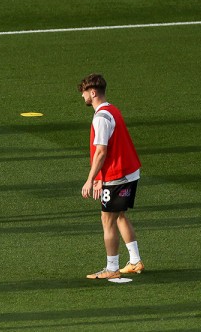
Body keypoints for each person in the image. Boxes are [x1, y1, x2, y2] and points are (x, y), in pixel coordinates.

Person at [79, 73, 144, 280]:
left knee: (107, 219)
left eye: (84, 93)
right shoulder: (112, 109)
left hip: (118, 176)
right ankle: (135, 260)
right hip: (127, 172)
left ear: (93, 92)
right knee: (120, 215)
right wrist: (100, 178)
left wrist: (90, 179)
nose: (83, 97)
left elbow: (101, 151)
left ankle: (112, 267)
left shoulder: (101, 118)